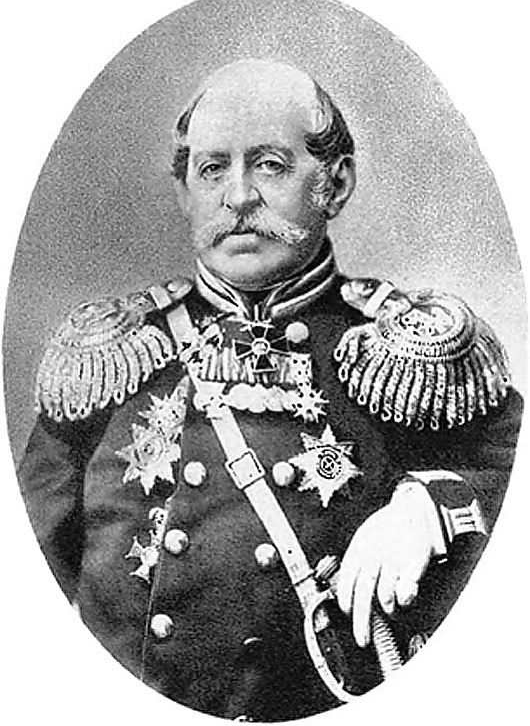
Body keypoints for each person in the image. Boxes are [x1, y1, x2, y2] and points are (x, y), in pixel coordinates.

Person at [18, 59, 522, 721]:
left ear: (336, 183)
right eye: (212, 169)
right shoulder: (115, 355)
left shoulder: (412, 353)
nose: (238, 197)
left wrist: (431, 503)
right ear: (185, 192)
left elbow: (506, 482)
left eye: (270, 165)